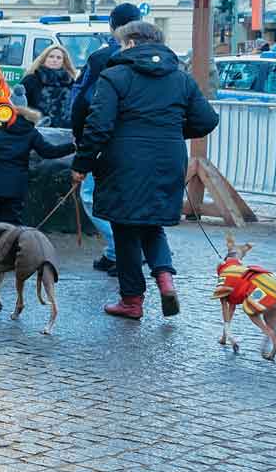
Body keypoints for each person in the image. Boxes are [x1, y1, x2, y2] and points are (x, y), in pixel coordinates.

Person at [73, 21, 220, 320]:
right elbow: (207, 120)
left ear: (129, 44)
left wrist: (81, 164)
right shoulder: (181, 78)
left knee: (125, 227)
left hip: (124, 161)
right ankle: (165, 277)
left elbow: (99, 125)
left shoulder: (115, 76)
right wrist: (171, 132)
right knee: (153, 224)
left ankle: (131, 301)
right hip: (168, 157)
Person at [69, 3, 144, 272]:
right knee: (137, 198)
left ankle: (121, 250)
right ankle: (121, 253)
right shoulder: (162, 56)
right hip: (146, 143)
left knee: (91, 196)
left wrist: (79, 137)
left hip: (107, 140)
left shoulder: (102, 58)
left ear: (113, 27)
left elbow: (81, 100)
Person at [0, 103, 72, 258]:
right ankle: (8, 254)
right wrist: (72, 146)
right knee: (11, 221)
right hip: (15, 186)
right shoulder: (31, 133)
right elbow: (49, 152)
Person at [21, 45, 76, 125]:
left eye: (58, 58)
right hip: (36, 128)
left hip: (64, 131)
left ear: (63, 62)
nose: (54, 60)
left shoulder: (70, 82)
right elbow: (20, 105)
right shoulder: (31, 79)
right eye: (51, 57)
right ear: (44, 59)